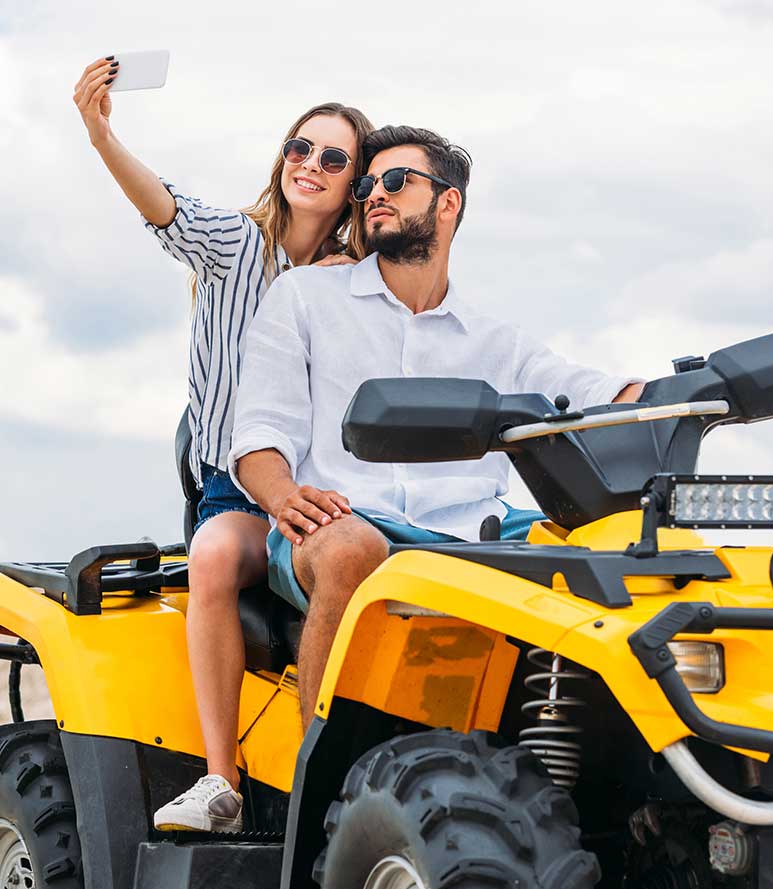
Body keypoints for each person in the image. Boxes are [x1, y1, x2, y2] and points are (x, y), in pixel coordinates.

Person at [229, 125, 644, 731]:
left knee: (625, 553)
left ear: (447, 203)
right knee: (353, 549)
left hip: (471, 532)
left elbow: (596, 396)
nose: (375, 193)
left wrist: (682, 397)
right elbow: (261, 435)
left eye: (397, 181)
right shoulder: (305, 298)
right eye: (368, 183)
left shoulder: (495, 338)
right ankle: (318, 795)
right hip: (336, 522)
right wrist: (285, 497)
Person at [73, 56, 374, 832]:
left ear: (353, 183)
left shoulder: (354, 279)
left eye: (333, 158)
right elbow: (163, 207)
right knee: (210, 558)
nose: (310, 164)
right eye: (300, 148)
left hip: (330, 489)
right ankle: (220, 781)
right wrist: (102, 134)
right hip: (240, 492)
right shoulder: (237, 246)